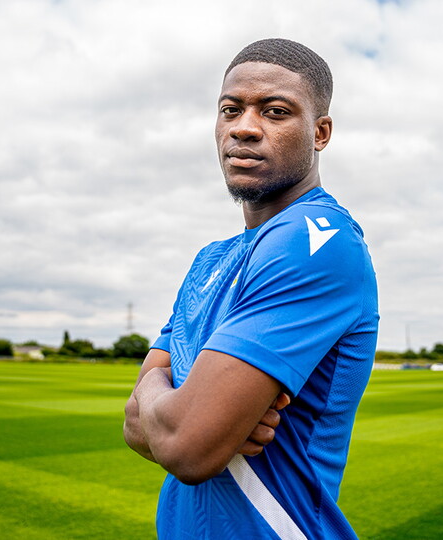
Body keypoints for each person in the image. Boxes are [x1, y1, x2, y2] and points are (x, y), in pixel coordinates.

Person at [123, 38, 379, 539]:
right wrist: (175, 402)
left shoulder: (317, 241)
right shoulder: (210, 261)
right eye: (230, 109)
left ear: (320, 133)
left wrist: (172, 397)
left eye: (275, 111)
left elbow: (188, 447)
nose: (243, 127)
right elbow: (135, 426)